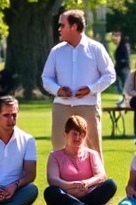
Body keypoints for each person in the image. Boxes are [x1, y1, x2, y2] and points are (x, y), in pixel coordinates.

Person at [42, 9, 116, 156]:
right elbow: (46, 78)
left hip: (88, 106)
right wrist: (58, 90)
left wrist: (91, 89)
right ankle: (59, 178)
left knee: (92, 147)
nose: (59, 29)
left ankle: (97, 179)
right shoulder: (56, 51)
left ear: (74, 26)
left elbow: (110, 74)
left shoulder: (96, 49)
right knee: (59, 146)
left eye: (62, 25)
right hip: (61, 106)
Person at [44, 115, 117, 205]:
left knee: (111, 184)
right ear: (66, 134)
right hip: (66, 196)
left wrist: (86, 183)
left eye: (81, 134)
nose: (78, 138)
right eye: (74, 134)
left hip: (88, 194)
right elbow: (53, 179)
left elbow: (101, 175)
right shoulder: (55, 156)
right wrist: (71, 186)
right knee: (51, 192)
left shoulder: (92, 154)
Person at [112, 32, 132, 107]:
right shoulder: (119, 46)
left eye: (117, 36)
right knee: (120, 86)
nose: (115, 38)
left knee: (125, 86)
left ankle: (127, 101)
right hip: (119, 68)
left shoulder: (124, 46)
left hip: (124, 68)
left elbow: (126, 59)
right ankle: (123, 101)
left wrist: (119, 65)